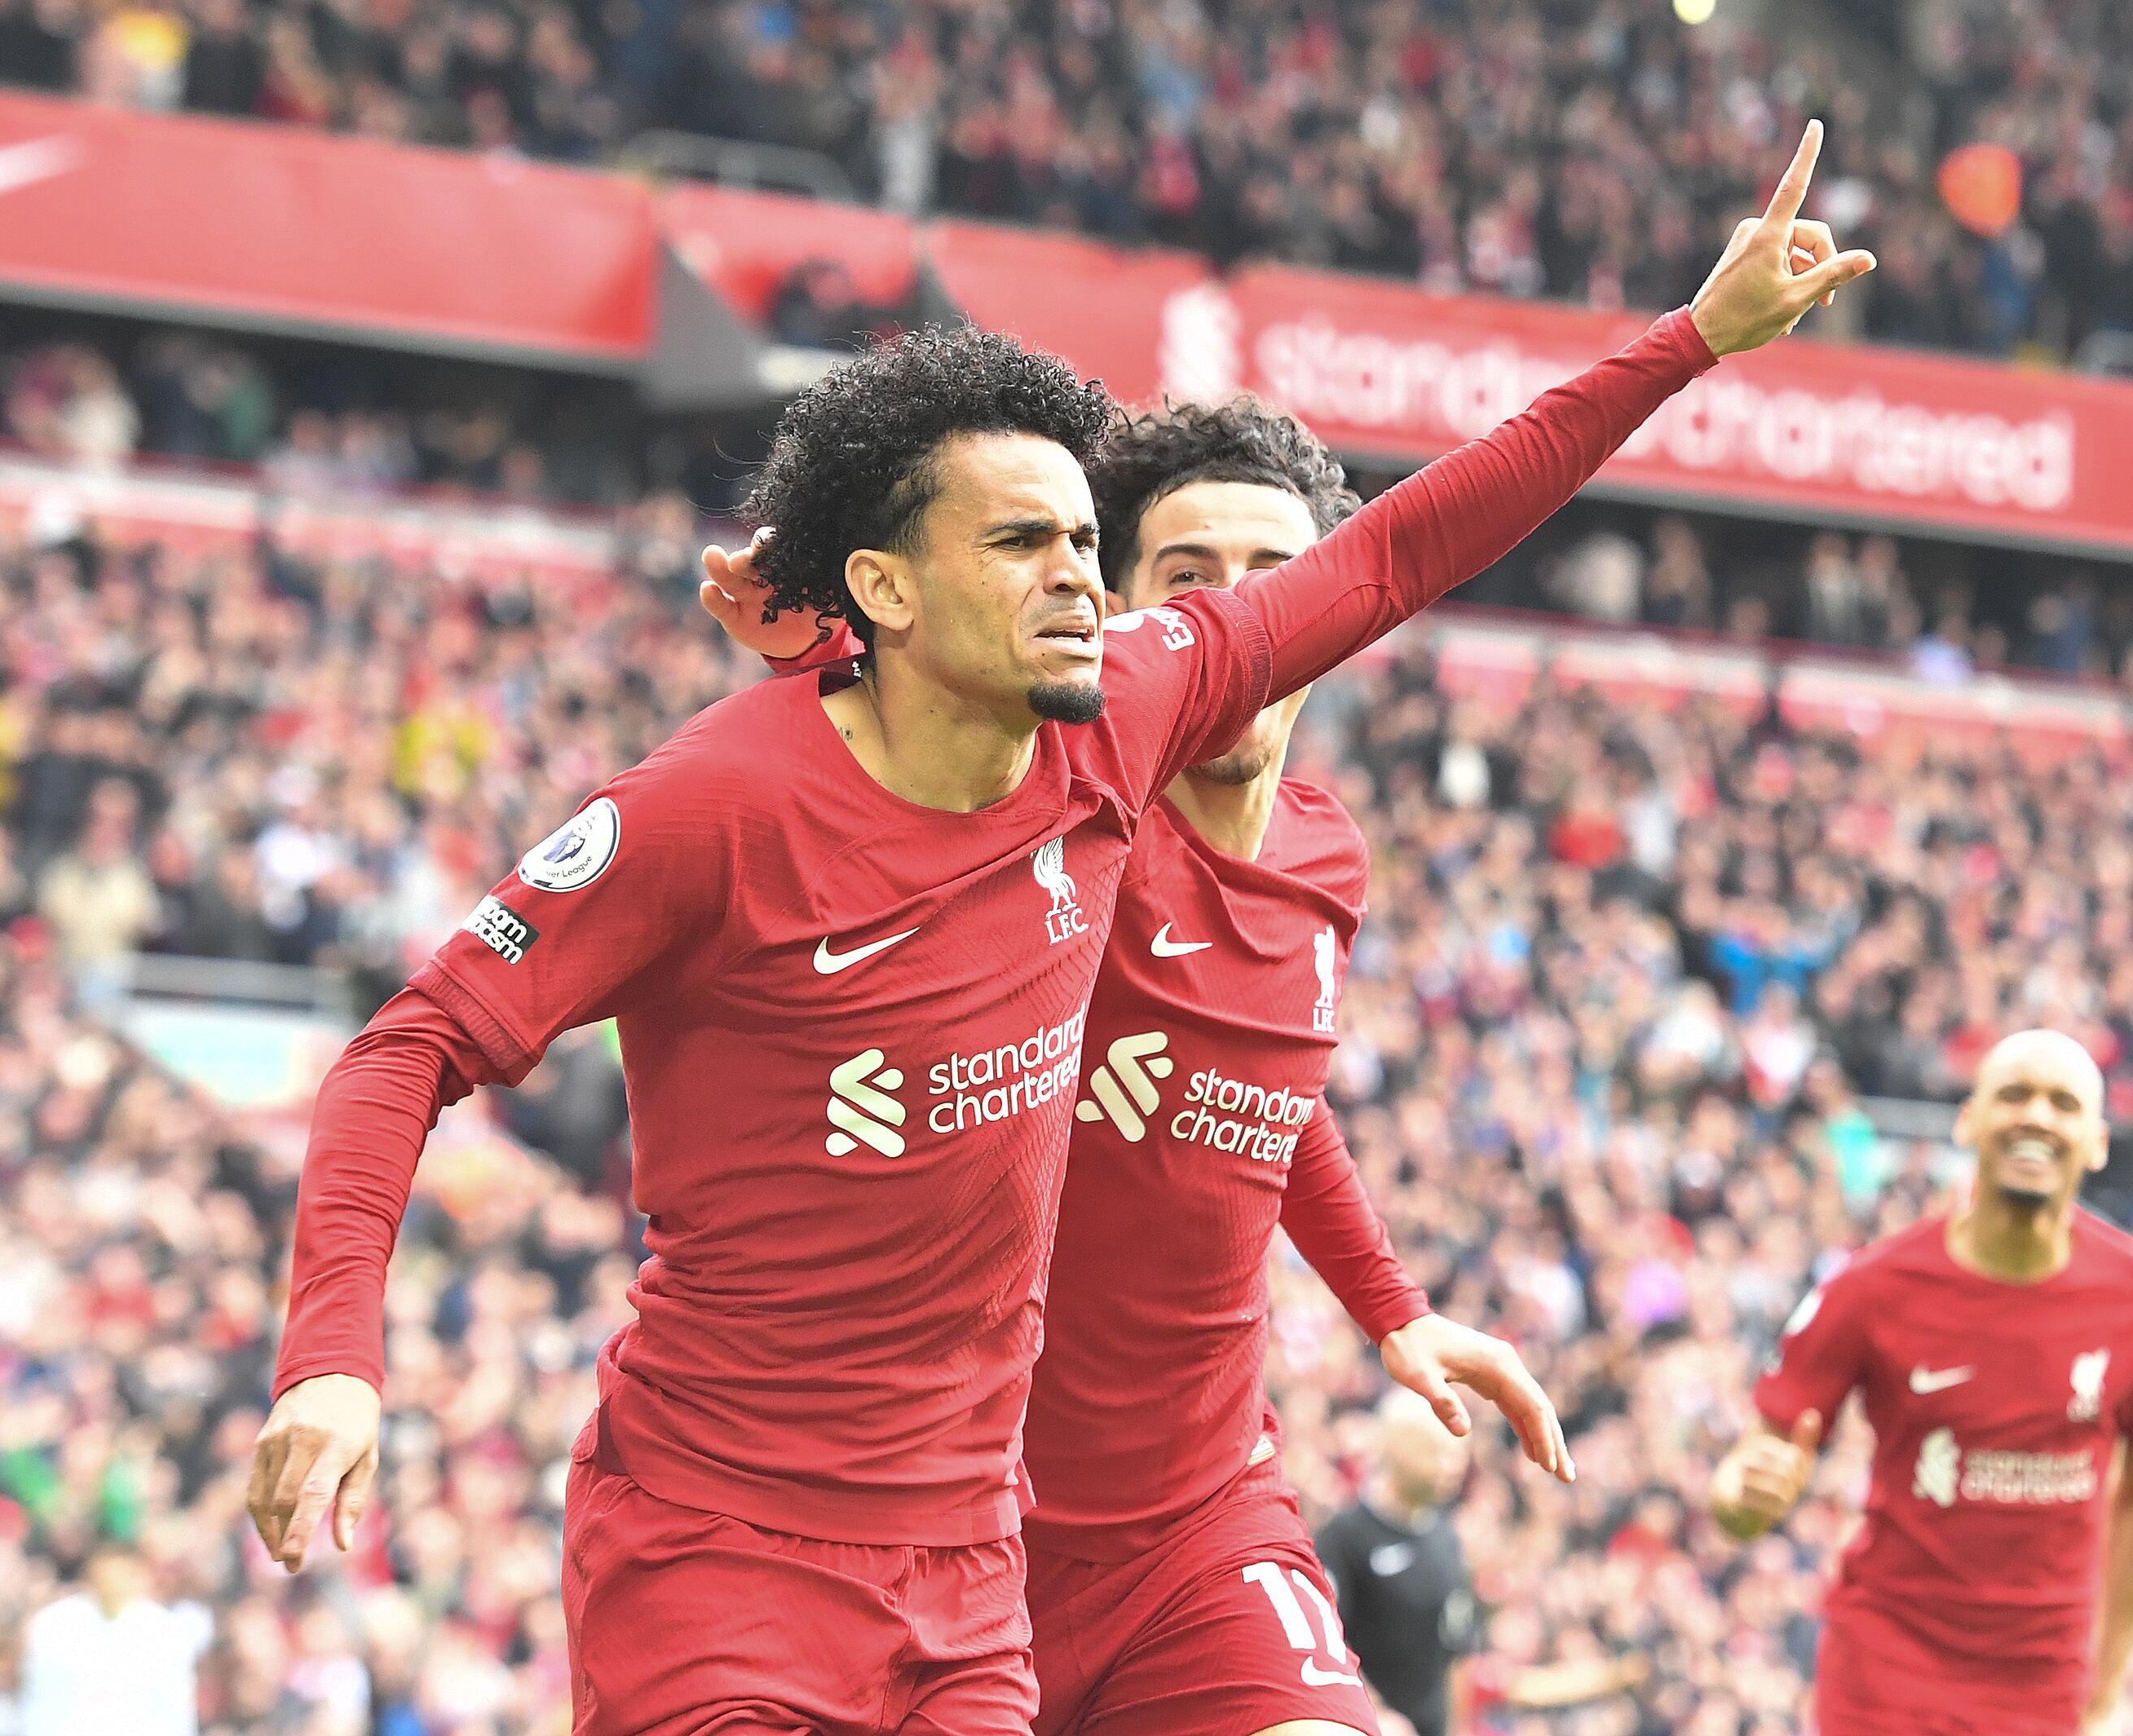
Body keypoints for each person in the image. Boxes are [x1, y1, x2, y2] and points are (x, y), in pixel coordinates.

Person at [253, 122, 1869, 1736]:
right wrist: (332, 1356)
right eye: (1024, 543)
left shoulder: (1130, 722)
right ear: (888, 590)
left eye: (1086, 542)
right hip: (720, 1547)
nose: (1082, 581)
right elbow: (410, 1043)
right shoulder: (713, 808)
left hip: (972, 1574)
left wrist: (1692, 339)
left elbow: (1395, 551)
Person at [718, 397, 1570, 1736]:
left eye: (1278, 578)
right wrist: (823, 647)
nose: (1242, 613)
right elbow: (889, 766)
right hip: (942, 1538)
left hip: (1195, 1529)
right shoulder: (1044, 806)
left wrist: (1392, 1306)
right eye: (1191, 577)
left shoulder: (1326, 854)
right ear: (1115, 614)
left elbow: (1268, 1088)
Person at [1707, 1029, 2133, 1736]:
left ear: (2097, 1142)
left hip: (2041, 1687)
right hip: (1885, 1672)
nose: (2036, 1116)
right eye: (2014, 1095)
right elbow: (1746, 1474)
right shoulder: (1872, 1288)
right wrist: (1743, 1503)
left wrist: (2108, 1686)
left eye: (2063, 1103)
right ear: (1968, 1121)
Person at [1316, 1390, 1480, 1736]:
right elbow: (1325, 1642)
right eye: (1436, 1453)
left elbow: (1457, 1650)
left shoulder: (1447, 1540)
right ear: (1394, 1450)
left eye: (1456, 1455)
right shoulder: (1343, 1539)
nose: (1451, 1467)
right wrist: (1375, 1714)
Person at [18, 1542, 210, 1736]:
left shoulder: (164, 1630)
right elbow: (41, 1697)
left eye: (122, 1576)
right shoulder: (55, 1624)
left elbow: (175, 1705)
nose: (114, 1585)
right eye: (106, 1577)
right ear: (90, 1577)